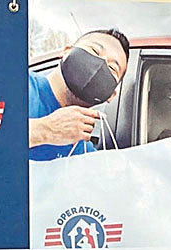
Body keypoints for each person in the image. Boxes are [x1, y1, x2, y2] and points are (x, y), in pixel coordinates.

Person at [29, 28, 129, 161]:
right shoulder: (14, 85)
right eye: (94, 51)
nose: (100, 65)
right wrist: (46, 130)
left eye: (112, 68)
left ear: (112, 95)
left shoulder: (84, 154)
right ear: (67, 52)